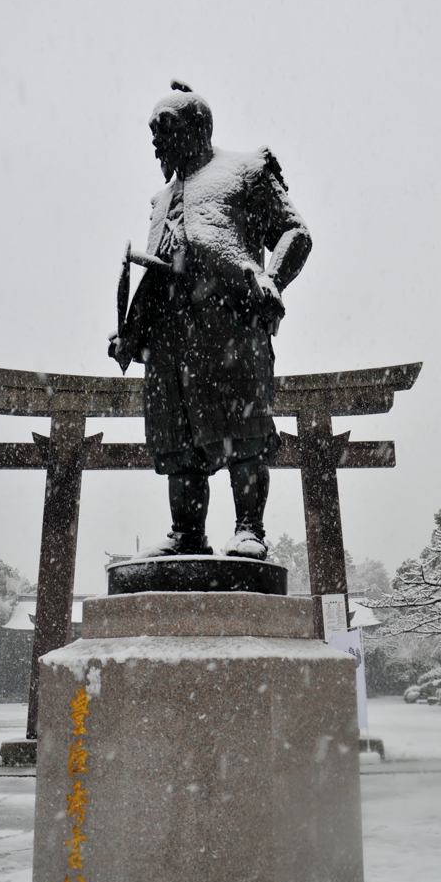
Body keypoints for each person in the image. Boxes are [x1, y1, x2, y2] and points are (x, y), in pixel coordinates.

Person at [109, 81, 311, 559]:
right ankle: (187, 533)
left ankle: (249, 529)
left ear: (195, 128)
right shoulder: (161, 199)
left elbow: (295, 233)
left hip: (232, 327)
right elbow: (160, 269)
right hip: (169, 337)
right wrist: (132, 332)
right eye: (153, 134)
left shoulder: (246, 170)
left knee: (243, 433)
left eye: (164, 131)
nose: (156, 143)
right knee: (176, 443)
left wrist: (272, 280)